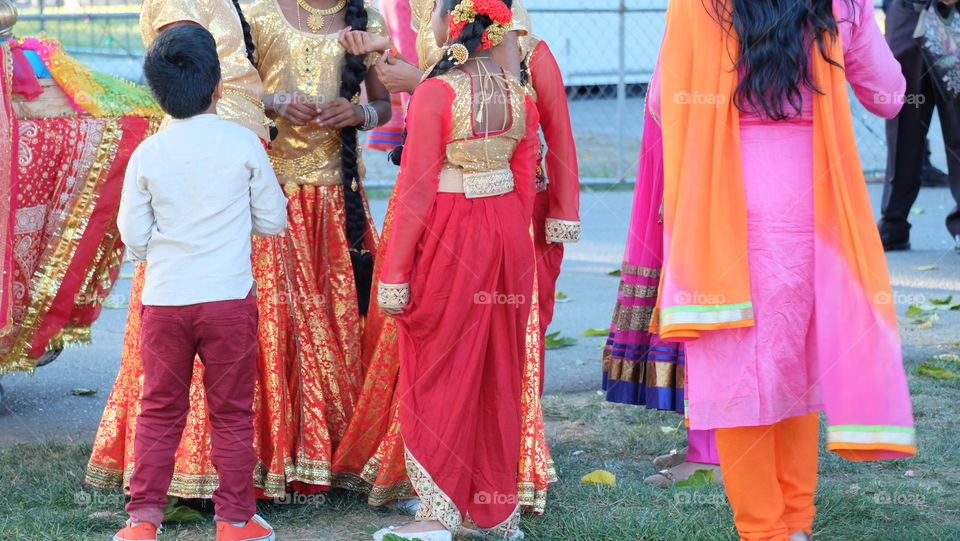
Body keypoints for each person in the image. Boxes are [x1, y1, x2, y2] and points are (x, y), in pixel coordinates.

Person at [650, 0, 917, 538]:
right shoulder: (842, 4)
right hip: (814, 207)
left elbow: (661, 102)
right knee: (796, 369)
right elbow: (889, 97)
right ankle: (796, 524)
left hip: (721, 207)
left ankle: (763, 530)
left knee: (735, 373)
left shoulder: (695, 6)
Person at [330, 0, 557, 518]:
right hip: (506, 235)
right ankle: (497, 511)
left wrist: (395, 276)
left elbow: (414, 191)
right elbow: (525, 181)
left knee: (437, 365)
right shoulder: (517, 92)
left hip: (454, 232)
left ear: (450, 24)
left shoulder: (437, 93)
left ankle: (438, 513)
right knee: (498, 369)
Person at [86, 0, 275, 495]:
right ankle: (236, 519)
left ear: (156, 93)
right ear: (219, 87)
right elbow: (274, 221)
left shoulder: (148, 151)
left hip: (165, 302)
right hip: (229, 301)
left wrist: (156, 253)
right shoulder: (244, 145)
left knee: (159, 408)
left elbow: (133, 233)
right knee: (232, 413)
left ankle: (142, 520)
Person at [602, 103, 721, 488]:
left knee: (698, 302)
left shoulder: (714, 39)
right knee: (684, 299)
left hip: (698, 164)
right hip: (672, 155)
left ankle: (713, 455)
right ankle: (702, 443)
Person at [879, 0, 960, 252]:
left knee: (958, 120)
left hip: (955, 14)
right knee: (903, 124)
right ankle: (893, 224)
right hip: (906, 12)